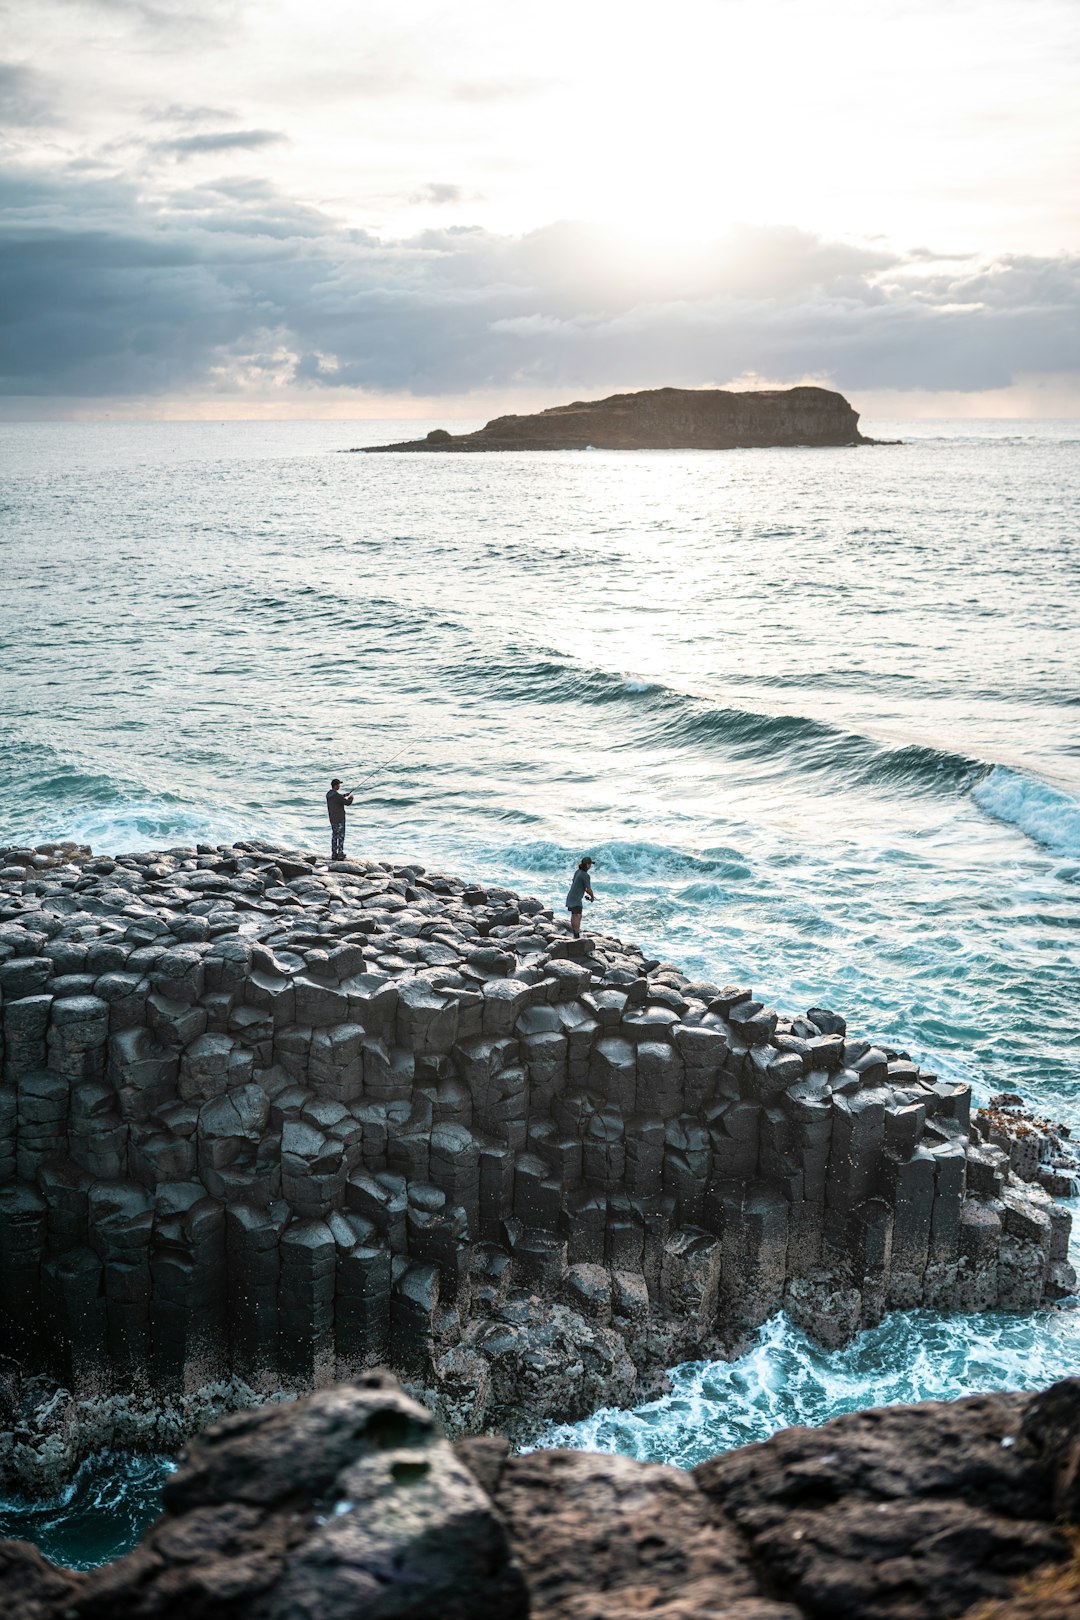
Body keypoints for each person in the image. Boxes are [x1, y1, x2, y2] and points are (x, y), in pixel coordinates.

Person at [565, 856, 595, 937]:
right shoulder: (585, 875)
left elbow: (577, 883)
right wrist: (592, 897)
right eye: (590, 864)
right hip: (576, 899)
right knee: (578, 916)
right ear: (588, 865)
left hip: (571, 896)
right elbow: (588, 889)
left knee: (574, 915)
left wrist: (584, 891)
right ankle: (577, 935)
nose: (590, 866)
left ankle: (575, 933)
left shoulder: (577, 872)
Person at [326, 778, 354, 860]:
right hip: (340, 818)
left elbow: (337, 798)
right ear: (335, 786)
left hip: (332, 818)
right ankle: (340, 854)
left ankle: (334, 854)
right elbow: (347, 803)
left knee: (334, 836)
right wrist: (351, 798)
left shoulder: (329, 794)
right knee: (341, 836)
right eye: (338, 785)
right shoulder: (337, 796)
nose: (339, 786)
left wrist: (344, 795)